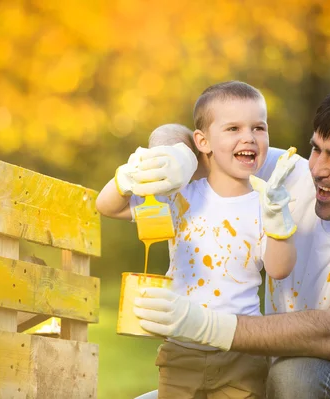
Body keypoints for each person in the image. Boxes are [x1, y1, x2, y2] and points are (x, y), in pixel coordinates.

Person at [131, 77, 330, 399]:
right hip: (269, 387)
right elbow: (192, 136)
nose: (318, 169)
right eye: (316, 149)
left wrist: (203, 324)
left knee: (297, 372)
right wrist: (174, 157)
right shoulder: (287, 175)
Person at [96, 81, 301, 398]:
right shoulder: (181, 195)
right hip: (181, 348)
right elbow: (108, 206)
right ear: (202, 142)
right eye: (233, 128)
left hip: (241, 351)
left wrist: (279, 221)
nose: (248, 137)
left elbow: (279, 269)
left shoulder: (265, 203)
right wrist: (127, 177)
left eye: (259, 128)